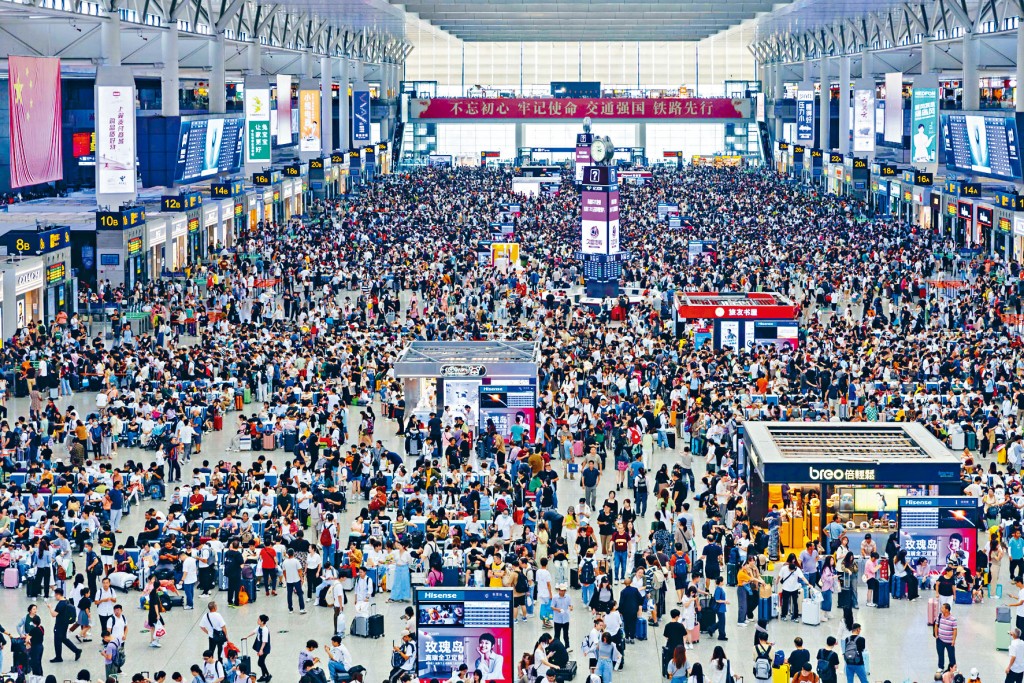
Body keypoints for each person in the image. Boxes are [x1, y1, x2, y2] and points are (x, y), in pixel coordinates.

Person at [46, 587, 83, 662]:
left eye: (55, 595)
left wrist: (50, 608)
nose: (55, 597)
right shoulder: (67, 601)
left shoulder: (60, 604)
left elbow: (54, 614)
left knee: (57, 641)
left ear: (58, 595)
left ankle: (58, 657)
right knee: (63, 639)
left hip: (59, 625)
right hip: (65, 624)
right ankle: (76, 650)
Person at [246, 614, 273, 683]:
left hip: (264, 648)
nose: (257, 621)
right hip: (261, 647)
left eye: (259, 620)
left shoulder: (265, 630)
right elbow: (254, 632)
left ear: (262, 622)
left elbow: (264, 641)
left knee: (260, 662)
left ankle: (268, 675)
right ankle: (264, 675)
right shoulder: (259, 627)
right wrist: (246, 636)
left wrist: (261, 650)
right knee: (261, 662)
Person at [282, 548, 307, 614]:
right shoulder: (296, 561)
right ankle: (301, 608)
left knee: (289, 595)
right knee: (300, 594)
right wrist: (301, 578)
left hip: (289, 580)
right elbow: (299, 571)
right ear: (293, 553)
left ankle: (290, 609)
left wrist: (286, 578)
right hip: (296, 580)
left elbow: (284, 572)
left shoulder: (285, 562)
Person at [935, 602, 958, 671]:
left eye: (942, 608)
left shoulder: (953, 619)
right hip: (940, 640)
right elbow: (936, 625)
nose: (941, 609)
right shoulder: (939, 616)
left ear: (947, 610)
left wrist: (953, 640)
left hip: (949, 641)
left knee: (951, 655)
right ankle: (941, 667)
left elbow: (955, 630)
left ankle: (953, 667)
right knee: (940, 654)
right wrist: (936, 635)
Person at [550, 584, 573, 649]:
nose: (563, 592)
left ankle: (567, 646)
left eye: (564, 590)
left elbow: (570, 605)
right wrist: (558, 610)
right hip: (557, 619)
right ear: (559, 590)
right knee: (557, 635)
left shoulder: (568, 597)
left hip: (565, 619)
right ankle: (556, 647)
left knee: (566, 634)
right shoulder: (555, 598)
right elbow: (552, 607)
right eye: (561, 590)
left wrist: (571, 607)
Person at [713, 576, 728, 641]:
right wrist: (725, 601)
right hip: (719, 608)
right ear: (720, 582)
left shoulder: (719, 588)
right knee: (722, 622)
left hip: (721, 607)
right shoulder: (718, 589)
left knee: (721, 621)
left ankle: (712, 629)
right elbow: (717, 600)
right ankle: (721, 635)